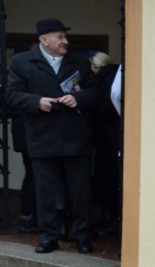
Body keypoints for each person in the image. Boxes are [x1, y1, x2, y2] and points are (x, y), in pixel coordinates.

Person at [5, 18, 97, 254]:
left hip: (76, 137)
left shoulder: (79, 62)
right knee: (45, 192)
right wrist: (37, 102)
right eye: (60, 37)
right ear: (44, 39)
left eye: (65, 37)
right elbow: (12, 95)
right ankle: (48, 237)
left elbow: (96, 92)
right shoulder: (21, 62)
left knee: (80, 191)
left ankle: (82, 236)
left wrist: (79, 98)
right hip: (42, 138)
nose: (65, 41)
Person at [87, 52, 122, 235]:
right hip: (115, 137)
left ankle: (109, 219)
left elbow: (102, 107)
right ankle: (113, 218)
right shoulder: (118, 75)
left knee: (105, 180)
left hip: (105, 139)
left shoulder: (101, 80)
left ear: (96, 67)